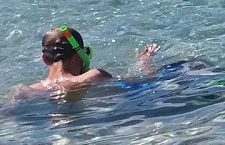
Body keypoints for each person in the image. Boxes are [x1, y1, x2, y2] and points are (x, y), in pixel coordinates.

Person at [9, 27, 159, 103]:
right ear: (79, 57)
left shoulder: (25, 91)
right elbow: (145, 83)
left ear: (45, 59)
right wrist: (145, 61)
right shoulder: (94, 76)